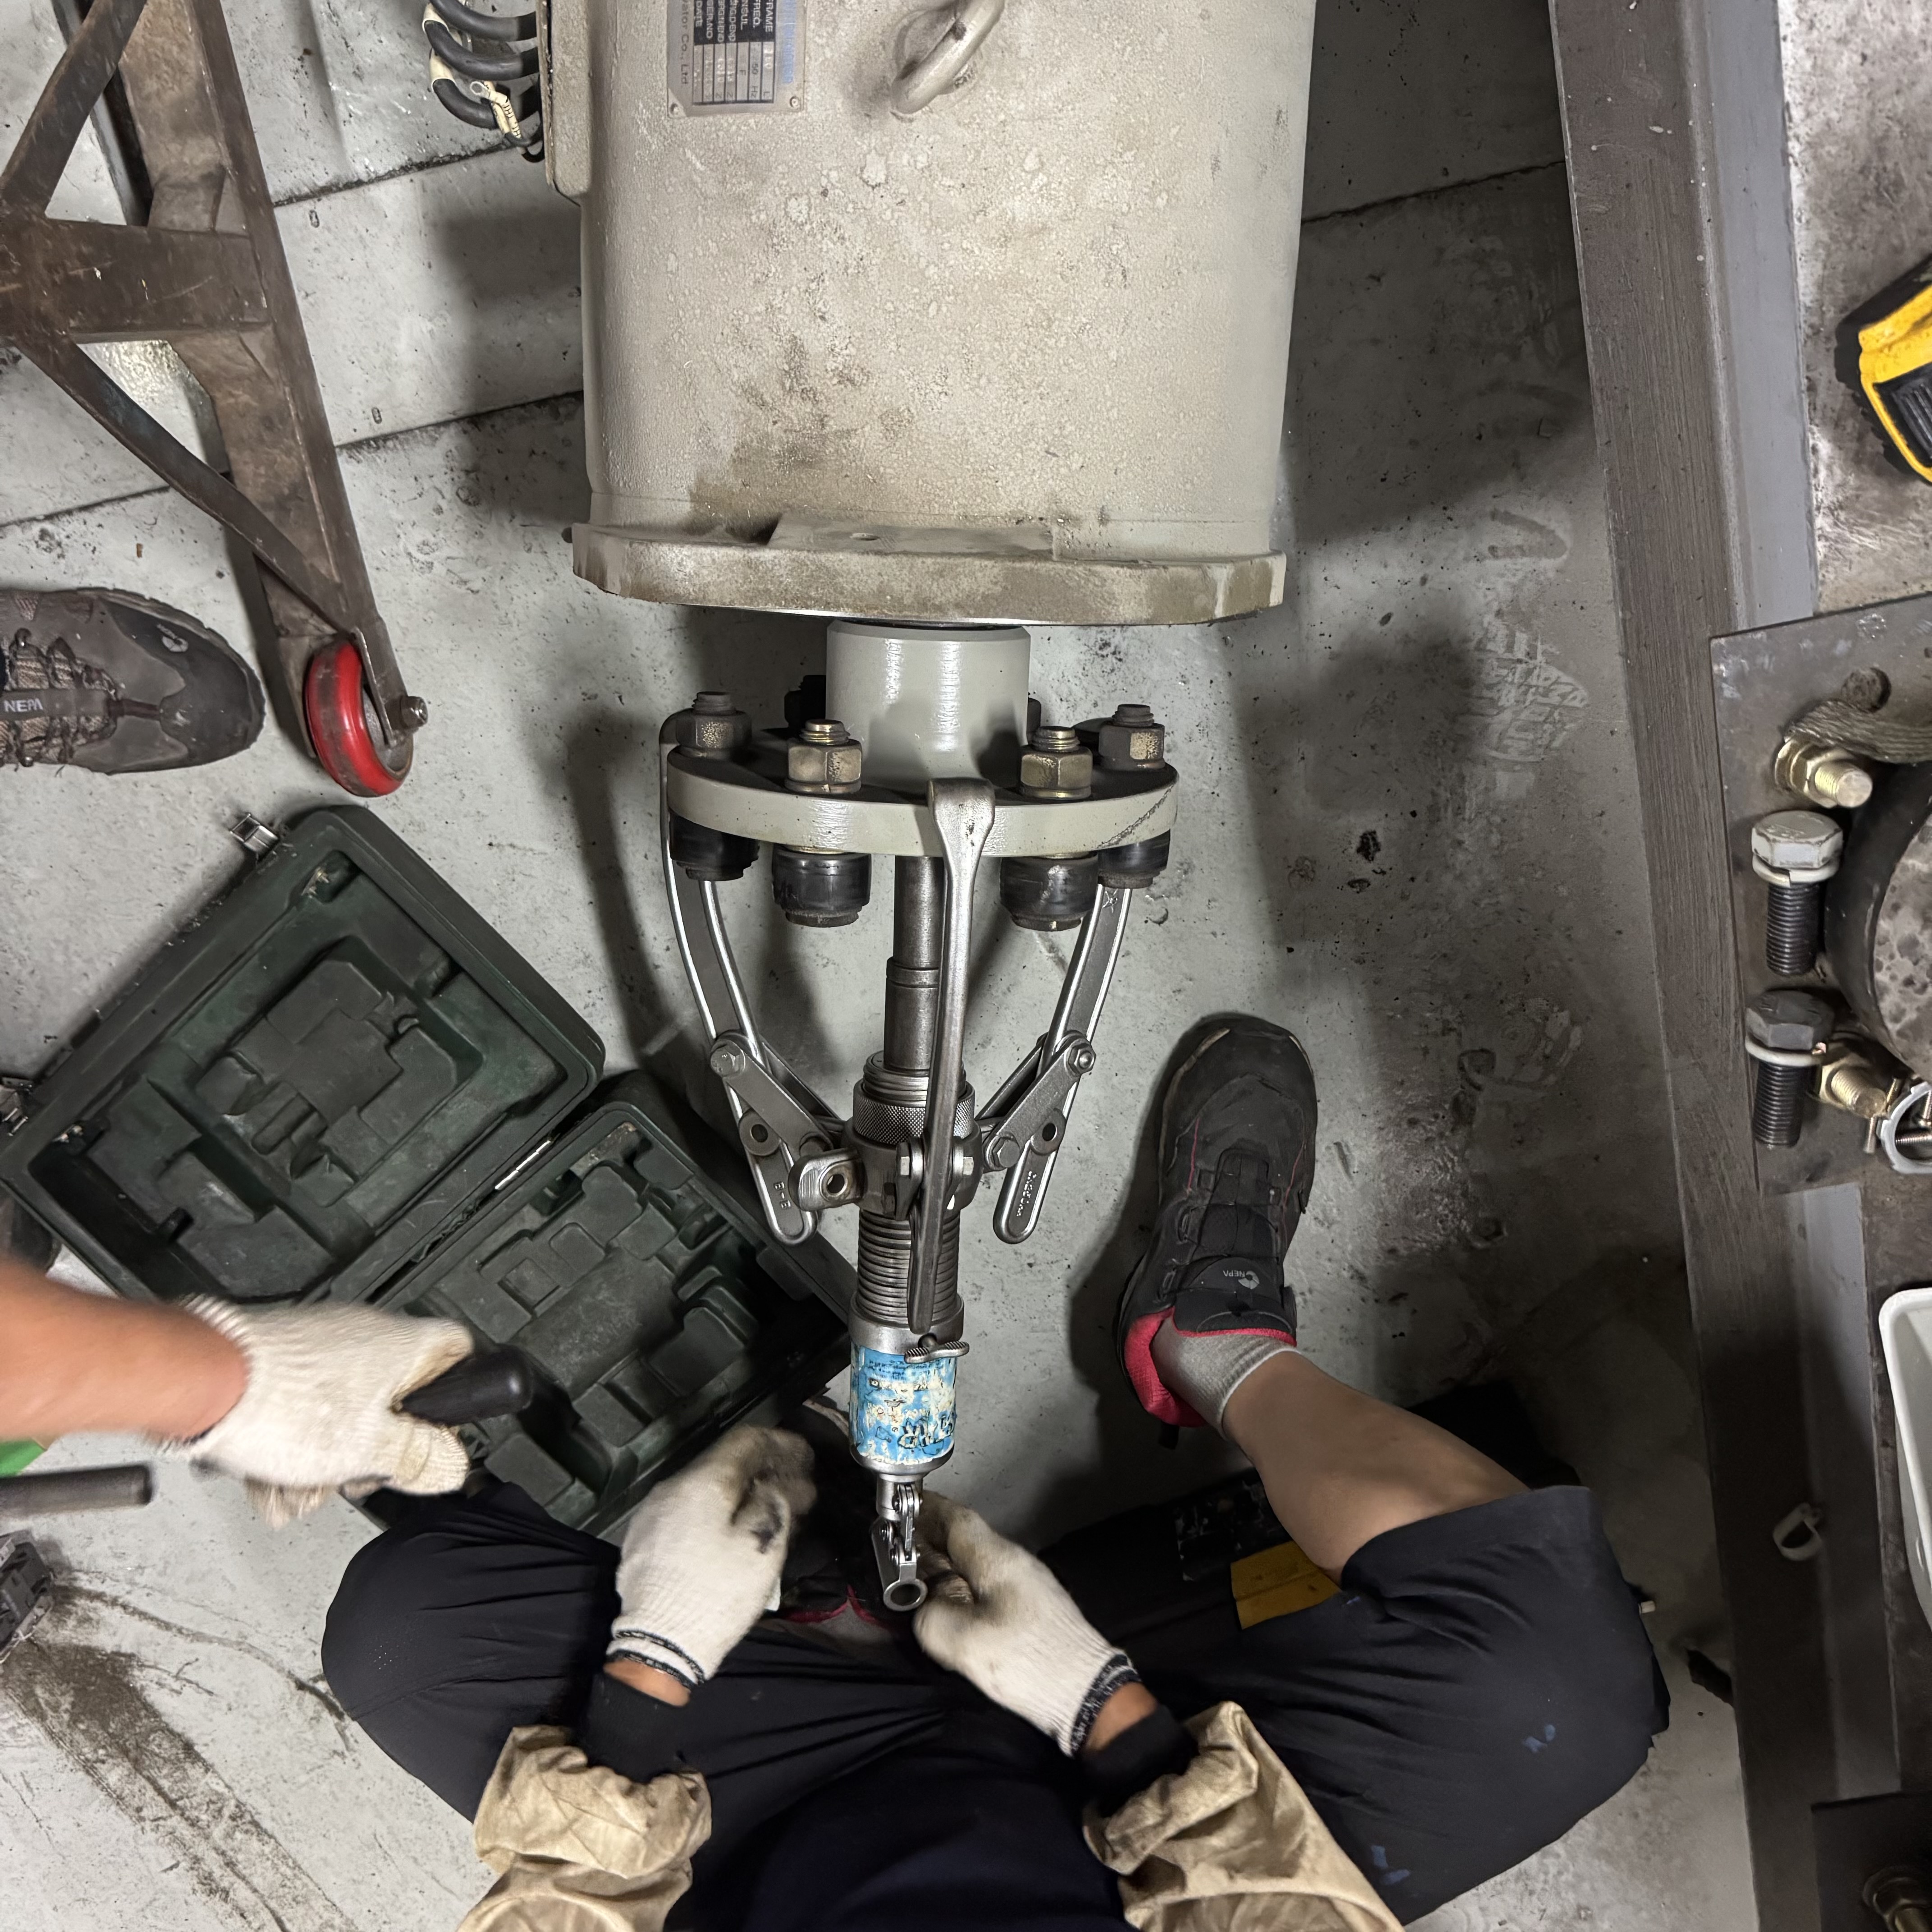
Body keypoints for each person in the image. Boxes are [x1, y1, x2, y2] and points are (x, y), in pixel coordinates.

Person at [0, 1017, 1667, 1928]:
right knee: (1560, 1683)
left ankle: (776, 1595)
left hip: (763, 1825)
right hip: (1128, 1847)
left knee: (404, 1632)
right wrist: (1111, 1717)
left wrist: (654, 1665)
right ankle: (1208, 1344)